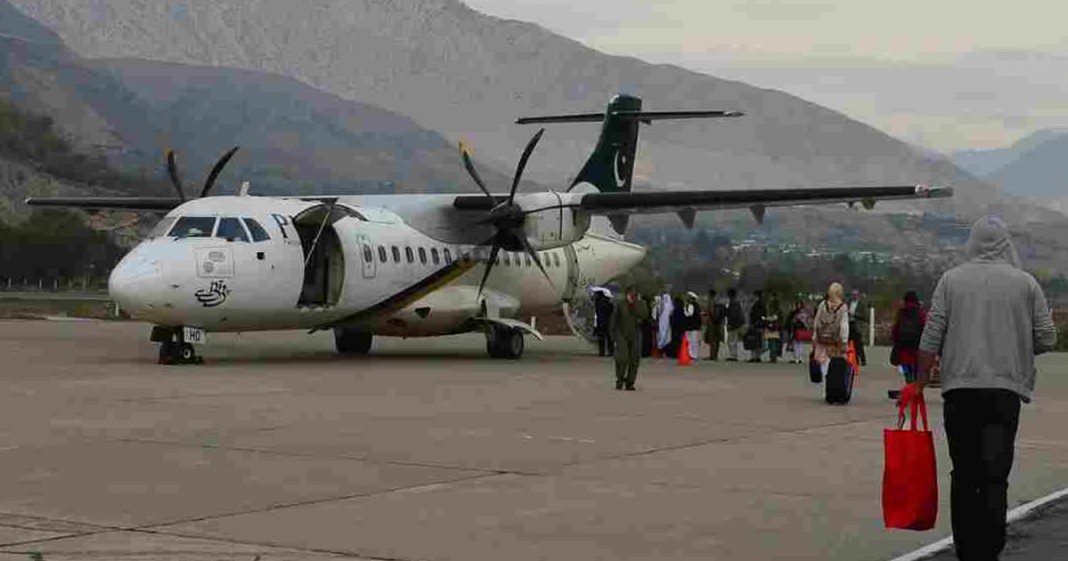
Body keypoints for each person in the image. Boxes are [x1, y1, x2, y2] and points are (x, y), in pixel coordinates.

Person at [907, 216, 1055, 561]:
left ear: (971, 243)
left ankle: (967, 548)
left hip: (960, 392)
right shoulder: (1026, 284)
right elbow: (1047, 337)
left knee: (964, 473)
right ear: (1006, 244)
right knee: (994, 475)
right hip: (1004, 393)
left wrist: (918, 382)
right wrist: (1015, 345)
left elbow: (931, 338)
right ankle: (989, 549)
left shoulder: (950, 281)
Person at [888, 290, 927, 400]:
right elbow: (926, 329)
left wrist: (896, 342)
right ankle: (916, 391)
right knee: (916, 372)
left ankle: (909, 388)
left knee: (907, 372)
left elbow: (895, 330)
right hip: (917, 349)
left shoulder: (901, 312)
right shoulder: (921, 313)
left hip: (903, 350)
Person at [611, 285, 651, 391]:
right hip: (621, 333)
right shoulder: (620, 304)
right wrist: (613, 335)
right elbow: (614, 320)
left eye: (635, 294)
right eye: (631, 294)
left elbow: (644, 315)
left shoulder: (641, 304)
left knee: (634, 360)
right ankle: (619, 379)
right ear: (627, 294)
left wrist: (634, 305)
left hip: (636, 334)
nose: (633, 295)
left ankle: (630, 382)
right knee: (622, 358)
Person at [812, 283, 849, 378]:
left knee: (823, 363)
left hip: (822, 339)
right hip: (835, 341)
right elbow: (844, 326)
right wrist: (844, 341)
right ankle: (832, 385)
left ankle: (825, 381)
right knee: (836, 365)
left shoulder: (822, 305)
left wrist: (815, 336)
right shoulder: (842, 307)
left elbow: (816, 321)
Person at [786, 299, 811, 364]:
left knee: (798, 343)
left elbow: (793, 320)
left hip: (798, 329)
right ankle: (799, 357)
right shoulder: (804, 312)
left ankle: (798, 357)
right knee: (798, 343)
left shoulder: (797, 312)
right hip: (799, 329)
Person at [847, 289, 868, 366]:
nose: (854, 296)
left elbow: (865, 316)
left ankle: (863, 359)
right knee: (849, 342)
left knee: (858, 344)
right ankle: (852, 359)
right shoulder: (849, 303)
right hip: (849, 324)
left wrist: (854, 314)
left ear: (858, 296)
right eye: (853, 295)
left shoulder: (861, 304)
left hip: (857, 325)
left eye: (855, 295)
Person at [725, 288, 746, 362]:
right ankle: (733, 355)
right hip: (737, 324)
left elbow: (732, 315)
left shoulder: (733, 303)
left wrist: (730, 324)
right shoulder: (736, 302)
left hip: (733, 324)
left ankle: (733, 356)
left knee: (731, 341)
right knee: (733, 340)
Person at [746, 290, 767, 363]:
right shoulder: (762, 304)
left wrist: (752, 324)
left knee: (754, 341)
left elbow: (755, 315)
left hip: (756, 325)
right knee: (759, 341)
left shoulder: (756, 305)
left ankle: (754, 357)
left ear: (756, 296)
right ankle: (758, 357)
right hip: (760, 325)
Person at [704, 289, 724, 360]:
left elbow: (711, 311)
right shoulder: (719, 300)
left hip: (712, 322)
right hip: (719, 322)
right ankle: (715, 355)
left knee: (712, 339)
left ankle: (712, 355)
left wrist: (714, 320)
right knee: (717, 339)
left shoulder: (711, 301)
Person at [592, 290, 614, 357]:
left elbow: (599, 313)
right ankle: (610, 351)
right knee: (608, 338)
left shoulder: (598, 303)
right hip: (607, 322)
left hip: (602, 322)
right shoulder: (607, 303)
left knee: (602, 338)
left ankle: (602, 352)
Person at [682, 291, 702, 361]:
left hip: (690, 325)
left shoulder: (691, 305)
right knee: (693, 341)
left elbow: (688, 314)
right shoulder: (696, 305)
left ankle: (692, 354)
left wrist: (684, 310)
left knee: (691, 341)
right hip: (694, 326)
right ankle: (693, 354)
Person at [764, 293, 783, 363]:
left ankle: (773, 356)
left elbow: (774, 318)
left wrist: (767, 319)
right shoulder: (778, 310)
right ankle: (773, 356)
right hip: (775, 327)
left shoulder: (774, 310)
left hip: (773, 327)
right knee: (773, 342)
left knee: (772, 342)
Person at [656, 289, 674, 357]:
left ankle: (661, 350)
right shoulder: (666, 302)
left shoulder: (663, 302)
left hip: (664, 321)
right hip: (665, 321)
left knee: (663, 335)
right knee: (665, 336)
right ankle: (662, 350)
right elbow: (671, 311)